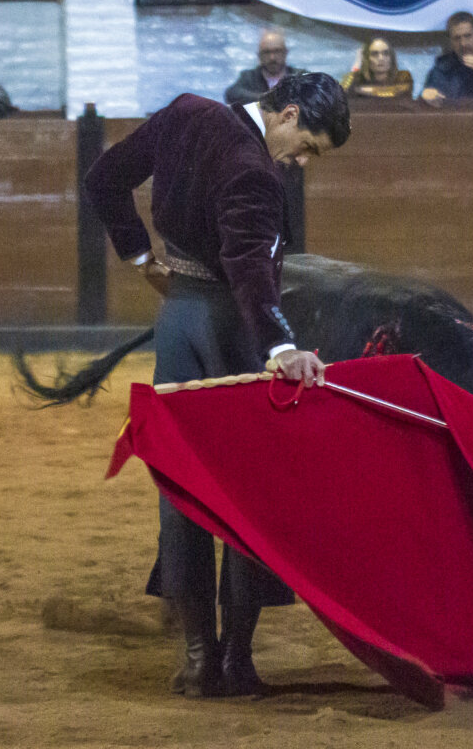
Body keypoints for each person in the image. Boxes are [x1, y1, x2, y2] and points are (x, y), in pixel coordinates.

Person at [83, 73, 351, 699]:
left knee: (183, 482)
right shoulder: (254, 171)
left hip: (178, 321)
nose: (302, 162)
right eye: (308, 147)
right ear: (288, 114)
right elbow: (248, 267)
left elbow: (103, 179)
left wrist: (141, 259)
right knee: (251, 489)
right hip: (234, 329)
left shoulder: (187, 112)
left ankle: (198, 658)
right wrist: (280, 347)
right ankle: (236, 658)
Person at [223, 30, 306, 105]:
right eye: (266, 52)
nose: (272, 57)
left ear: (285, 53)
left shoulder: (300, 76)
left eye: (277, 51)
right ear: (259, 56)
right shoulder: (249, 77)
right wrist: (264, 98)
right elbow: (231, 94)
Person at [341, 37, 413, 99]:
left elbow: (395, 91)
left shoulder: (403, 77)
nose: (381, 58)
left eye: (386, 53)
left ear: (392, 58)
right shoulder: (353, 78)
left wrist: (358, 89)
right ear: (366, 59)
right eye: (374, 54)